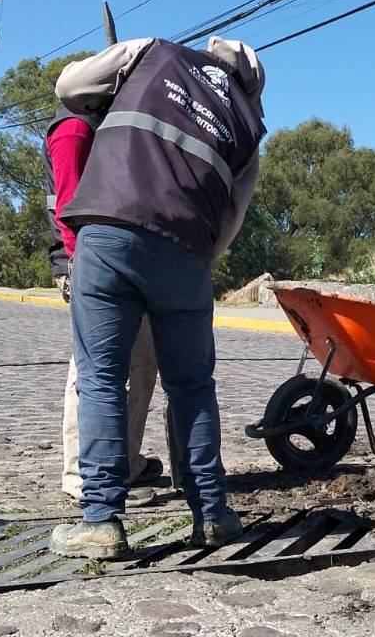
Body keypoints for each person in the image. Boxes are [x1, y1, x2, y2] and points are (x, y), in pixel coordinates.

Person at [48, 35, 266, 559]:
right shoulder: (246, 124)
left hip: (110, 231)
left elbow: (69, 87)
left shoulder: (151, 54)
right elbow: (230, 220)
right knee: (191, 387)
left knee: (102, 378)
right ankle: (211, 515)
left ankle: (101, 521)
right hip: (187, 253)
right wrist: (190, 262)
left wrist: (123, 67)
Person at [43, 106, 165, 509]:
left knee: (143, 363)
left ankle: (124, 462)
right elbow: (68, 206)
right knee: (95, 370)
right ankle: (83, 474)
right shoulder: (75, 130)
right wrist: (84, 272)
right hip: (88, 265)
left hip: (125, 264)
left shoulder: (114, 126)